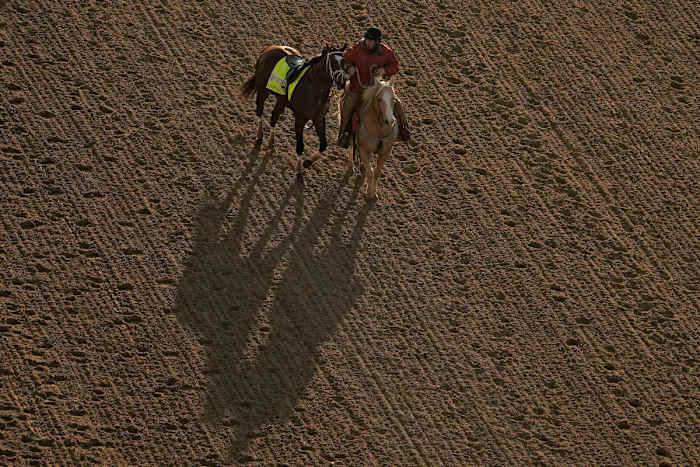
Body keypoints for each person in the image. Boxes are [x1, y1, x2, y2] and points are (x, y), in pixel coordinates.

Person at [337, 27, 411, 148]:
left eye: (372, 41)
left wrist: (384, 70)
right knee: (347, 106)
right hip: (358, 89)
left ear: (377, 42)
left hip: (377, 89)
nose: (369, 43)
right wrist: (349, 67)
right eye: (367, 40)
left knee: (396, 103)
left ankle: (404, 128)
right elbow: (344, 59)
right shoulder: (356, 50)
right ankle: (343, 134)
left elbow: (395, 65)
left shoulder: (386, 52)